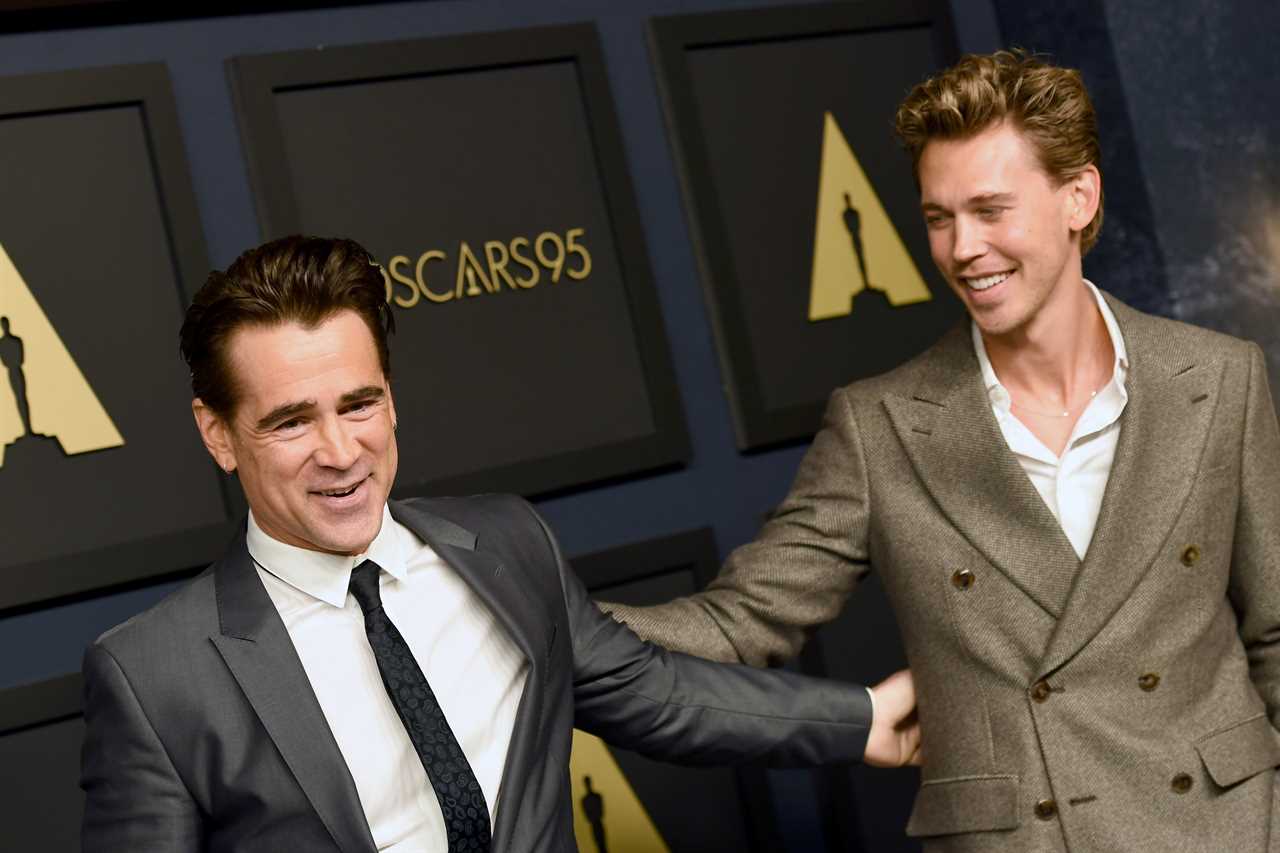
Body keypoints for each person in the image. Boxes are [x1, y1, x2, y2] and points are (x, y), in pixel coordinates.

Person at [606, 50, 1280, 851]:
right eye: (937, 217)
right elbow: (735, 623)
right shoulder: (881, 424)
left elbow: (1276, 631)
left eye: (991, 210)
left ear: (1079, 196)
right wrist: (526, 620)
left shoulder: (1219, 377)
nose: (962, 249)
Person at [79, 236, 920, 853]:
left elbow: (653, 692)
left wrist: (862, 718)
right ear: (219, 434)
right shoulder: (157, 675)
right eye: (292, 420)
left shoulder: (506, 545)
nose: (339, 451)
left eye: (359, 403)